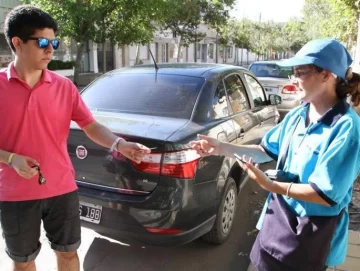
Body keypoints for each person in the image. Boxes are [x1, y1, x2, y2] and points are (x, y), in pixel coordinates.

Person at [0, 5, 151, 271]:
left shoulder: (64, 87)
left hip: (62, 189)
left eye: (54, 42)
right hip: (15, 194)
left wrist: (120, 144)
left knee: (68, 255)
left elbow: (90, 126)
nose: (51, 49)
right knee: (23, 263)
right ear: (17, 43)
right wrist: (10, 159)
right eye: (43, 42)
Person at [190, 38, 360, 271]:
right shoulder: (297, 115)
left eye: (300, 72)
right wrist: (220, 147)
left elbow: (325, 195)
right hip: (276, 223)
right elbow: (265, 150)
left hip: (312, 237)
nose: (293, 80)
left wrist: (273, 186)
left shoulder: (347, 128)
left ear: (326, 75)